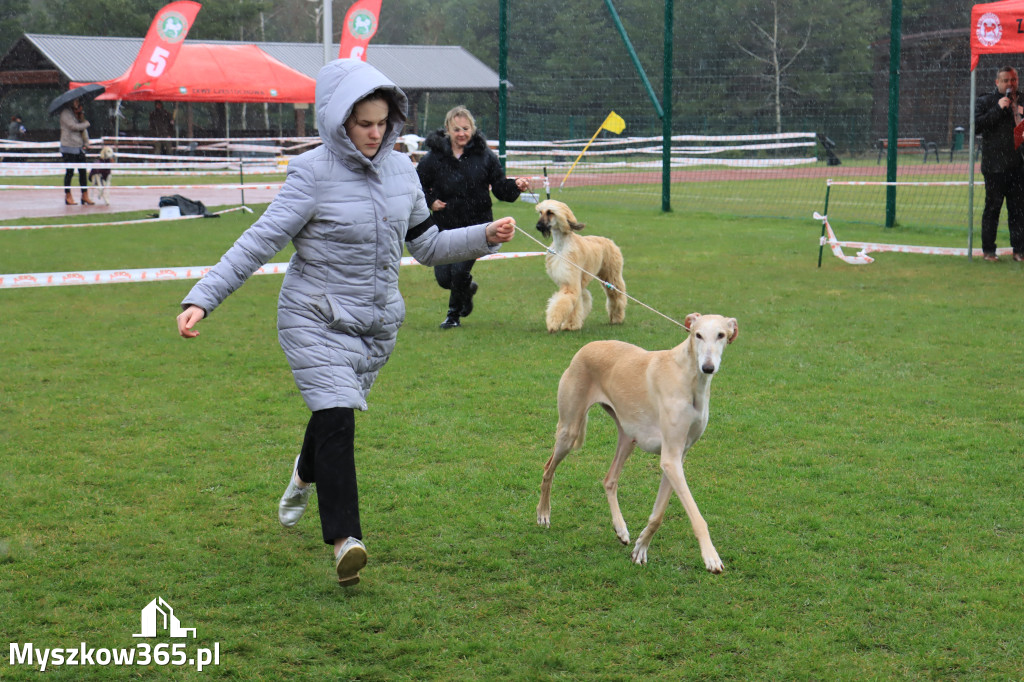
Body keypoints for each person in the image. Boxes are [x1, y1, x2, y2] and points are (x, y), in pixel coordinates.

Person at [174, 60, 516, 587]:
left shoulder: (403, 171)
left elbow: (426, 247)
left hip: (375, 326)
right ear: (338, 121)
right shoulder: (311, 173)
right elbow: (259, 241)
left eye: (382, 123)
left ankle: (302, 474)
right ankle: (344, 541)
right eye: (363, 124)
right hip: (313, 316)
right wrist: (204, 298)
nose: (375, 134)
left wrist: (483, 235)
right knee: (337, 415)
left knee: (332, 415)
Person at [416, 106, 530, 329]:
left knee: (459, 271)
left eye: (466, 129)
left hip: (478, 226)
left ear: (473, 130)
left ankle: (453, 316)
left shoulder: (485, 156)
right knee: (444, 279)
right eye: (456, 129)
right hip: (444, 227)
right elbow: (416, 185)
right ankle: (467, 289)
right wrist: (431, 202)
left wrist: (515, 185)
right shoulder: (433, 158)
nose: (461, 133)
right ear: (448, 129)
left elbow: (499, 188)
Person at [975, 65, 1024, 262]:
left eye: (1013, 80)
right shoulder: (985, 101)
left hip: (1018, 166)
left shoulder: (1022, 100)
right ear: (997, 82)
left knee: (1019, 211)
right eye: (1005, 80)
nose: (1010, 84)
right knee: (992, 209)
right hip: (994, 167)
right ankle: (989, 251)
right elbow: (977, 126)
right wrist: (998, 108)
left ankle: (1019, 251)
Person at [59, 98, 94, 206]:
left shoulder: (78, 114)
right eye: (75, 101)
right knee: (69, 172)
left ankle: (85, 195)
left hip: (79, 147)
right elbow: (73, 126)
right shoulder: (65, 113)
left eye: (78, 101)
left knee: (83, 172)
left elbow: (83, 130)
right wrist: (86, 124)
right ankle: (68, 195)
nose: (77, 103)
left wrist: (86, 142)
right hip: (68, 147)